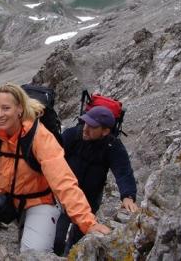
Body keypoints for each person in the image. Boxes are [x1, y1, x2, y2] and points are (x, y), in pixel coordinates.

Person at [0, 83, 110, 253]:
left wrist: (88, 223)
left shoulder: (39, 135)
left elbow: (63, 181)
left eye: (6, 108)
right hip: (9, 200)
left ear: (19, 109)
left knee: (33, 253)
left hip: (40, 202)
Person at [54, 106, 138, 256]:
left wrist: (128, 196)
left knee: (78, 237)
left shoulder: (112, 146)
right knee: (58, 236)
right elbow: (51, 156)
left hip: (90, 198)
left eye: (92, 127)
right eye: (85, 123)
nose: (85, 129)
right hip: (64, 194)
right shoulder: (73, 134)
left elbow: (123, 171)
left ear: (105, 131)